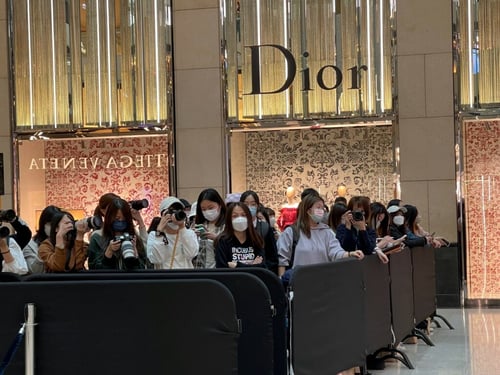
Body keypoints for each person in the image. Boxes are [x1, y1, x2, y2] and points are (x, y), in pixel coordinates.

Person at [277, 194, 364, 277]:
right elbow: (282, 260)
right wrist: (282, 281)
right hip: (299, 281)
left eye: (323, 208)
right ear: (308, 210)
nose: (322, 211)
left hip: (323, 280)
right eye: (318, 207)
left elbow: (336, 252)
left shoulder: (327, 232)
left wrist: (350, 254)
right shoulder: (292, 232)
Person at [88, 197, 148, 270]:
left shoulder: (134, 238)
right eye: (117, 218)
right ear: (109, 218)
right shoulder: (97, 237)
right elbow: (93, 269)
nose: (121, 221)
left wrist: (135, 256)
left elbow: (143, 268)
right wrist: (108, 253)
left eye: (124, 219)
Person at [147, 197, 199, 269]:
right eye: (171, 211)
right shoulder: (154, 235)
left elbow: (191, 254)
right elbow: (156, 260)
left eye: (179, 210)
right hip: (165, 278)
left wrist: (182, 227)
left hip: (185, 278)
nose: (175, 214)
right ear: (163, 214)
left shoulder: (189, 233)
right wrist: (159, 232)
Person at [215, 202, 266, 268]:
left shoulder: (256, 239)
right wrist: (252, 266)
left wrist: (237, 265)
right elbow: (222, 269)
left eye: (243, 215)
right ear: (228, 219)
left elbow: (262, 267)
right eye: (235, 216)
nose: (240, 219)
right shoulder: (222, 241)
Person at [240, 190, 279, 274]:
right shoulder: (235, 227)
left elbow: (272, 256)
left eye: (253, 204)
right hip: (240, 273)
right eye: (245, 204)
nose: (249, 207)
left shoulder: (265, 227)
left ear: (257, 206)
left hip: (261, 273)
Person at [192, 189, 226, 268]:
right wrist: (191, 236)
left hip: (220, 269)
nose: (207, 212)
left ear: (220, 205)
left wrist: (217, 238)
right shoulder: (197, 225)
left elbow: (233, 246)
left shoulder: (227, 225)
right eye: (203, 209)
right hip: (200, 269)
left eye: (211, 208)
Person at [22, 205, 61, 274]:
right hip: (41, 282)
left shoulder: (65, 241)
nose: (54, 228)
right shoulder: (30, 245)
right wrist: (42, 252)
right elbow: (34, 271)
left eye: (57, 225)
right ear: (43, 225)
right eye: (51, 224)